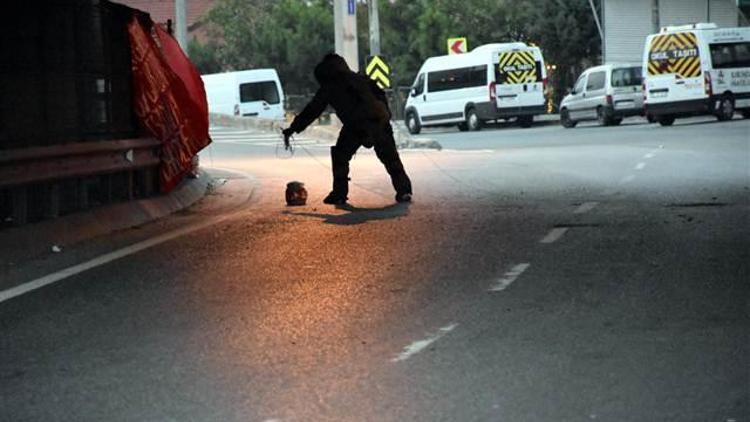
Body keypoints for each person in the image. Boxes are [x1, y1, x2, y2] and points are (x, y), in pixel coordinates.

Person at [282, 53, 412, 205]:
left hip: (355, 125)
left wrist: (293, 128)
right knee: (391, 158)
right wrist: (383, 120)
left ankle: (339, 193)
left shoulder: (331, 85)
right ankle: (404, 191)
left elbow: (313, 110)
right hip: (379, 122)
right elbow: (381, 98)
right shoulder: (362, 79)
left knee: (340, 156)